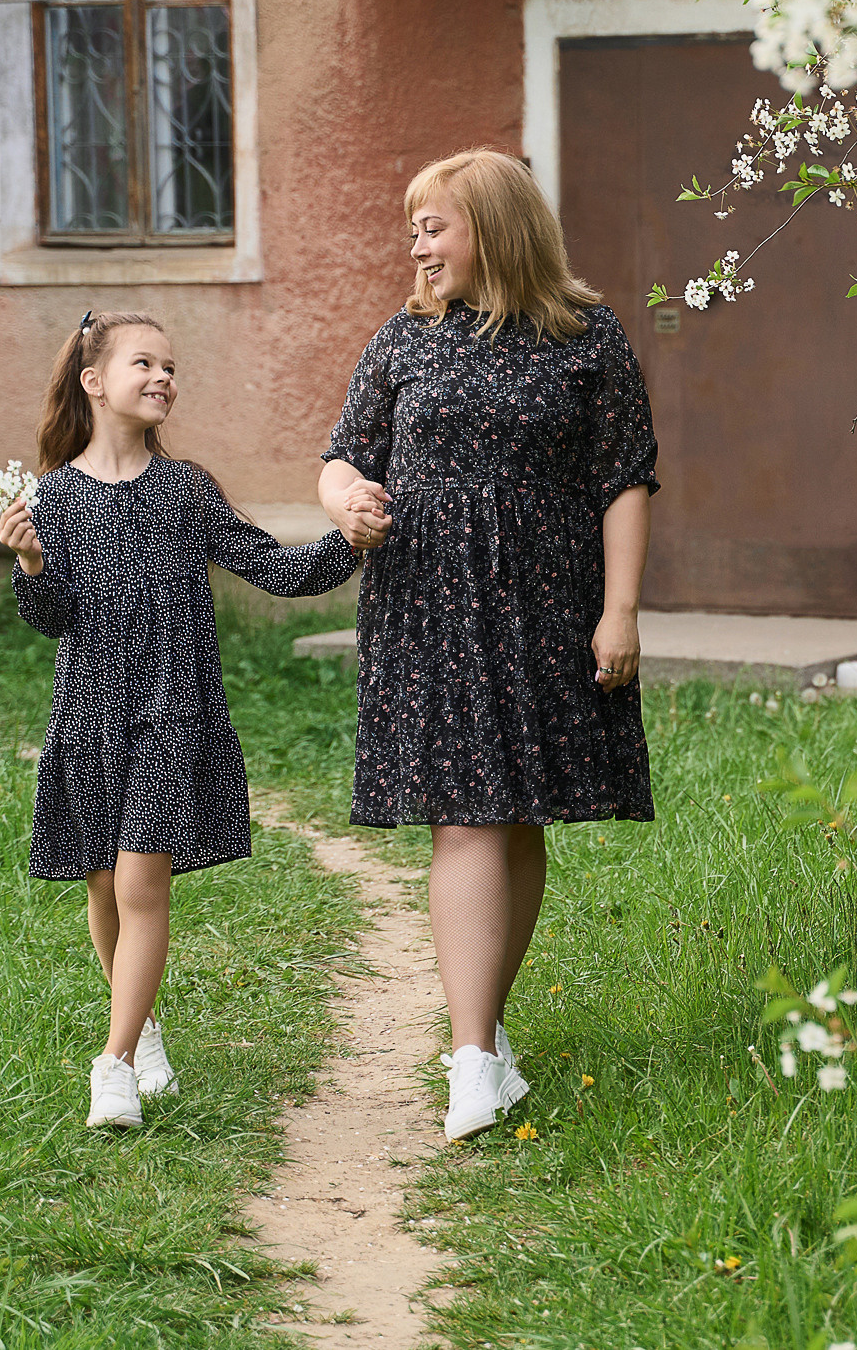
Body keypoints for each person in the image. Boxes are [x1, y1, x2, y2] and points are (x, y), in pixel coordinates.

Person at [320, 148, 657, 1142]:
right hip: (430, 602)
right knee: (464, 817)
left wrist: (621, 610)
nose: (417, 246)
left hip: (553, 603)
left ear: (495, 229)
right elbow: (344, 455)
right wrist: (349, 501)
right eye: (414, 228)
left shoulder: (588, 339)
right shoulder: (404, 340)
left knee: (519, 820)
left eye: (435, 226)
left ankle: (486, 1033)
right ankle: (471, 1059)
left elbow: (624, 479)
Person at [0, 310, 361, 1129]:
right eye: (145, 363)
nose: (164, 377)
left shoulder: (187, 489)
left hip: (173, 708)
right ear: (95, 382)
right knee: (101, 881)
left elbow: (275, 566)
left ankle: (114, 1062)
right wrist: (28, 561)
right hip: (89, 713)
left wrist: (351, 539)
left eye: (171, 367)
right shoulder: (51, 499)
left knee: (139, 880)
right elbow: (53, 617)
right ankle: (145, 1024)